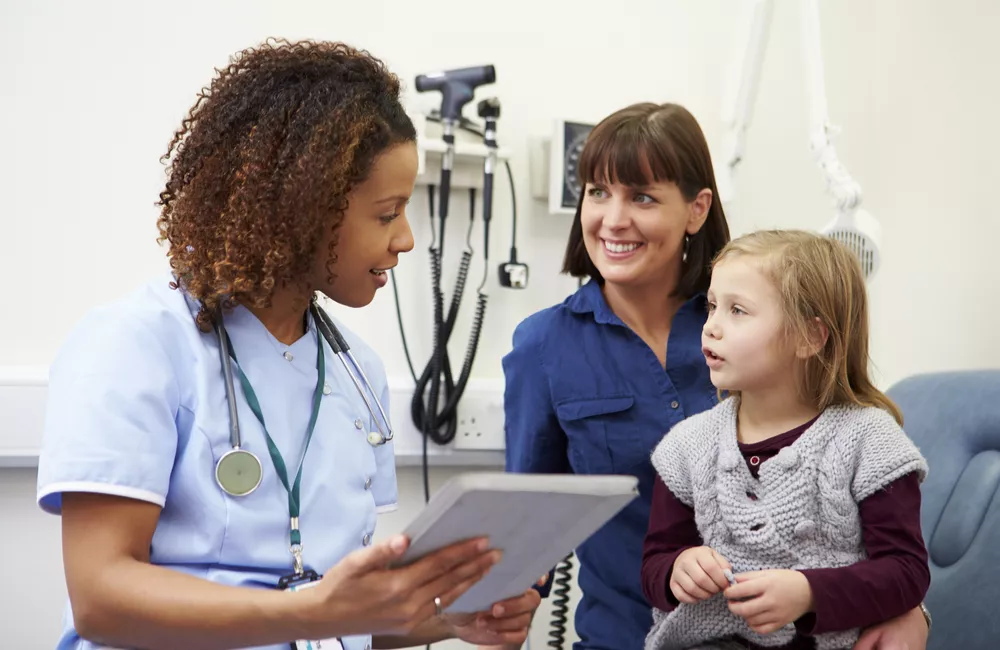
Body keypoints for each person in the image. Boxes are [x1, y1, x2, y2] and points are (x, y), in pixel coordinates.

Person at [35, 39, 540, 650]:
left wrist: (450, 616)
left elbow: (341, 611)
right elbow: (101, 597)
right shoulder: (135, 345)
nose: (406, 240)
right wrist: (312, 614)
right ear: (301, 209)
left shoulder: (357, 372)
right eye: (387, 214)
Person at [491, 102, 930, 650]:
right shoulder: (544, 347)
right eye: (597, 192)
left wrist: (911, 609)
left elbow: (852, 502)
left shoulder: (761, 321)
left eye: (643, 197)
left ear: (697, 210)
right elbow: (526, 529)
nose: (613, 218)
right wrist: (492, 612)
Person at [641, 229, 930, 650]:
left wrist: (808, 593)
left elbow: (906, 572)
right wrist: (677, 569)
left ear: (809, 337)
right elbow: (655, 562)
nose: (711, 328)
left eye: (738, 310)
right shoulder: (687, 447)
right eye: (712, 306)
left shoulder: (870, 441)